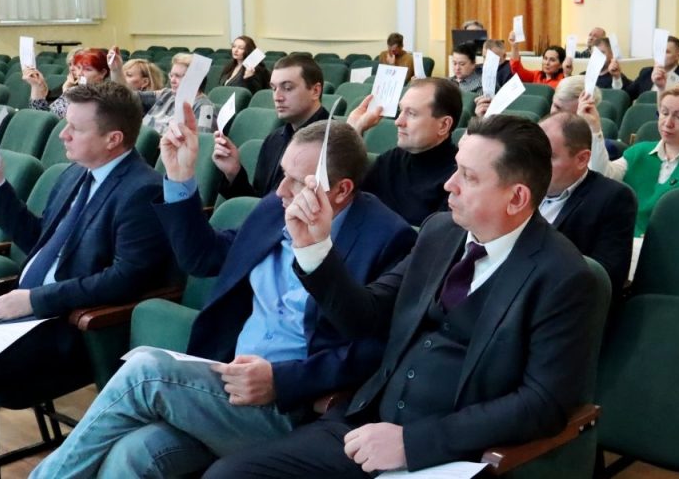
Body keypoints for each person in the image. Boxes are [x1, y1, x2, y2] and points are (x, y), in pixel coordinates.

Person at [201, 114, 608, 478]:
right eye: (455, 169)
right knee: (229, 475)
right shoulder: (440, 232)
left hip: (454, 455)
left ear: (516, 197)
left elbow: (542, 403)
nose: (449, 185)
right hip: (365, 423)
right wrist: (315, 249)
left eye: (468, 177)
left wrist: (412, 443)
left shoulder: (563, 277)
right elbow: (367, 315)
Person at [30, 114, 417, 479]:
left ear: (342, 190)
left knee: (145, 371)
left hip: (294, 405)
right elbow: (203, 257)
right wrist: (180, 179)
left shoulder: (388, 238)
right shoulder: (275, 207)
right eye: (282, 174)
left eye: (298, 182)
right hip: (227, 383)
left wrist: (280, 381)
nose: (281, 190)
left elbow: (375, 351)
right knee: (134, 453)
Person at [0, 81, 173, 478]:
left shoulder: (144, 190)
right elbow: (41, 240)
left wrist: (36, 300)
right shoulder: (75, 173)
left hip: (69, 327)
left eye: (75, 128)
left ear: (113, 139)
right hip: (22, 310)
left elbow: (127, 279)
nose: (62, 134)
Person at [584, 84, 679, 236]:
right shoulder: (639, 152)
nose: (668, 123)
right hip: (627, 240)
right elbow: (601, 176)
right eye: (664, 113)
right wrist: (595, 128)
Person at [538, 112, 637, 293]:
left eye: (549, 157)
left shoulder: (613, 198)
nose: (534, 163)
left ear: (582, 159)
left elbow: (607, 276)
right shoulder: (519, 187)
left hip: (559, 295)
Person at [347, 78, 462, 226]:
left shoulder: (455, 180)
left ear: (443, 125)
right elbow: (345, 200)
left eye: (412, 113)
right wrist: (354, 129)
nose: (398, 122)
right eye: (401, 111)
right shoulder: (391, 159)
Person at [214, 54, 329, 199]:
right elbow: (259, 203)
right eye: (274, 88)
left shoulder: (333, 142)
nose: (277, 97)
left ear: (315, 91)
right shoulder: (274, 139)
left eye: (287, 88)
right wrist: (234, 172)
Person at [131, 52, 217, 135]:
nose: (172, 80)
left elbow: (201, 141)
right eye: (171, 75)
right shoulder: (166, 94)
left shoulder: (205, 108)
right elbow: (129, 98)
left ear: (194, 79)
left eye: (178, 76)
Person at [26, 48, 110, 118]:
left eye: (87, 69)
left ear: (102, 73)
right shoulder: (73, 90)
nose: (80, 73)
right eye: (79, 68)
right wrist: (36, 85)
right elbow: (44, 117)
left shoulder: (103, 97)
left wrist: (66, 91)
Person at [629, 35, 679, 101]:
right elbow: (628, 94)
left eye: (666, 52)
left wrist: (662, 87)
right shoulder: (647, 72)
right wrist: (620, 77)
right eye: (659, 51)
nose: (661, 55)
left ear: (678, 56)